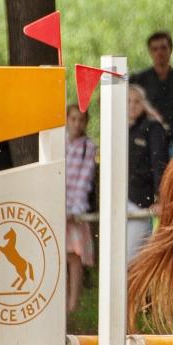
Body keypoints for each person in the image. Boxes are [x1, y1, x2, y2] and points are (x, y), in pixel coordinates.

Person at [126, 85, 170, 265]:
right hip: (118, 201)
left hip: (140, 202)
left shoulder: (153, 128)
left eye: (137, 101)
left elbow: (159, 164)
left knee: (130, 258)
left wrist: (161, 198)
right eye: (128, 101)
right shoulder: (118, 128)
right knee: (117, 256)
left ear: (144, 104)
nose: (132, 105)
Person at [65, 105, 98, 314]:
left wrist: (74, 210)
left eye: (81, 120)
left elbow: (84, 181)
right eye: (73, 119)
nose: (77, 124)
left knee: (74, 256)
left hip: (75, 210)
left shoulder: (88, 146)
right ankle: (60, 303)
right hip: (57, 206)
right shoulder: (58, 143)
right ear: (67, 120)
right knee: (58, 255)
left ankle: (73, 305)